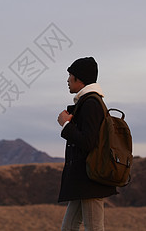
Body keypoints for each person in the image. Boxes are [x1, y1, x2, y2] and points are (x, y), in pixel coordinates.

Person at [57, 57, 117, 231]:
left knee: (94, 228)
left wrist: (66, 125)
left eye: (70, 75)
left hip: (90, 181)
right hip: (83, 180)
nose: (68, 80)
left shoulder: (91, 103)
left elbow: (89, 142)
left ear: (80, 78)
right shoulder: (87, 102)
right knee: (68, 227)